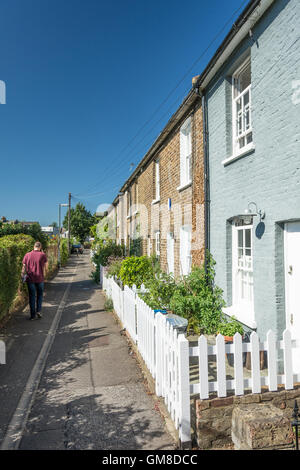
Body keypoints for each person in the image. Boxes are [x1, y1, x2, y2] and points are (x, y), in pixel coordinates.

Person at [21, 241, 48, 320]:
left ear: (34, 246)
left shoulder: (27, 255)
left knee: (32, 297)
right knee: (39, 296)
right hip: (40, 279)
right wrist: (44, 275)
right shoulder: (43, 255)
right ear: (40, 247)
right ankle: (38, 311)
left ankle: (32, 316)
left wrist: (22, 274)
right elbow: (46, 267)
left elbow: (24, 266)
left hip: (30, 279)